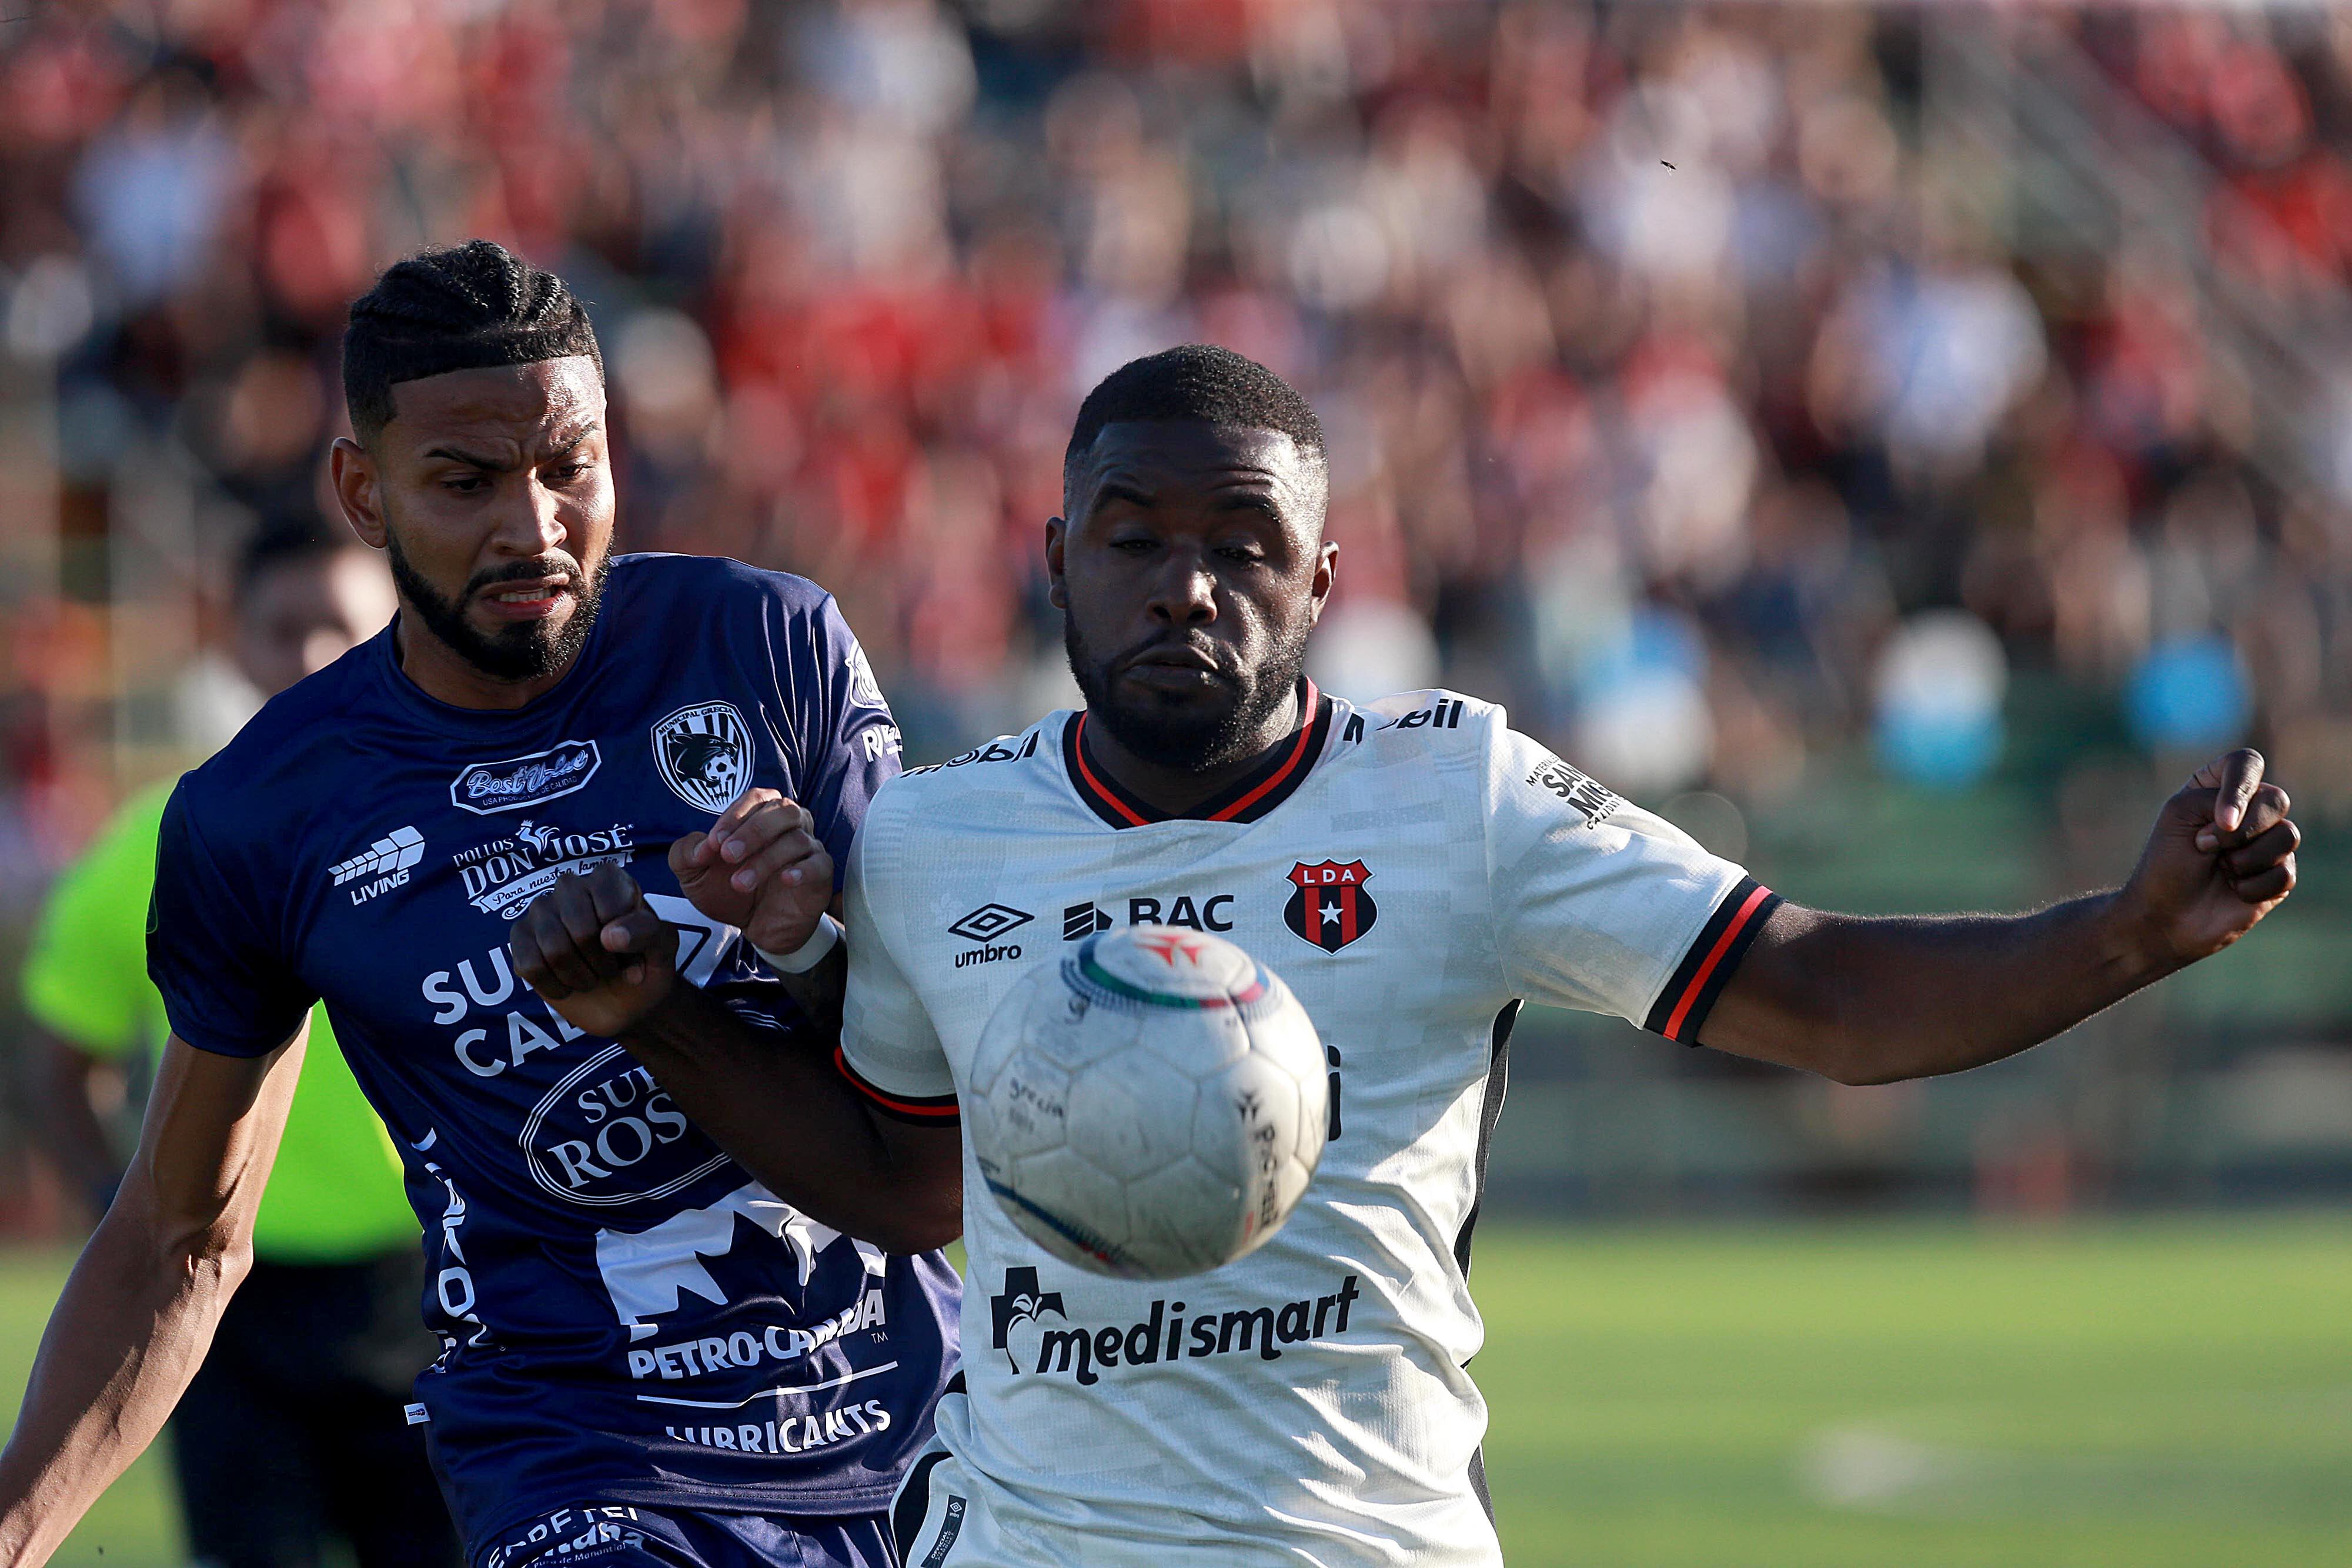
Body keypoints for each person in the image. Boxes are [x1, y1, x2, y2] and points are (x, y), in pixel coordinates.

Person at [503, 343, 2301, 1566]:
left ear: (1323, 584)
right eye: (1135, 539)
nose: (1184, 585)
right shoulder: (934, 841)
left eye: (1242, 547)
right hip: (1036, 1533)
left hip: (1364, 1533)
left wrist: (2124, 935)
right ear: (1056, 556)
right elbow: (906, 1182)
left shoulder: (1463, 794)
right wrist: (659, 1015)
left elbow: (1817, 991)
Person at [0, 240, 961, 1568]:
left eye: (569, 465)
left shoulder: (764, 646)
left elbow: (933, 1122)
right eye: (461, 482)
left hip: (910, 1420)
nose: (533, 527)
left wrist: (801, 943)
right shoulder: (261, 811)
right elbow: (181, 1236)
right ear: (364, 490)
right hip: (574, 1455)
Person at [19, 518, 463, 1568]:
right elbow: (54, 1057)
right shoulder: (160, 845)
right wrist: (113, 1197)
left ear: (390, 635)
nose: (310, 658)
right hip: (223, 1319)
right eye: (283, 629)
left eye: (338, 629)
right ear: (236, 645)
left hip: (429, 1289)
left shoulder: (462, 834)